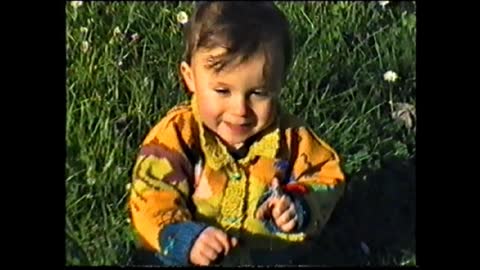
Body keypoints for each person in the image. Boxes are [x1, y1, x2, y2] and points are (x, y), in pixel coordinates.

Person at [128, 1, 346, 266]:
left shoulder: (292, 139)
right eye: (222, 91)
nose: (240, 109)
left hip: (268, 256)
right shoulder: (178, 135)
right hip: (192, 257)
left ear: (279, 84)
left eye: (258, 93)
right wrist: (185, 238)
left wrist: (298, 203)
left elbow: (328, 176)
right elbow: (151, 192)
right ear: (190, 78)